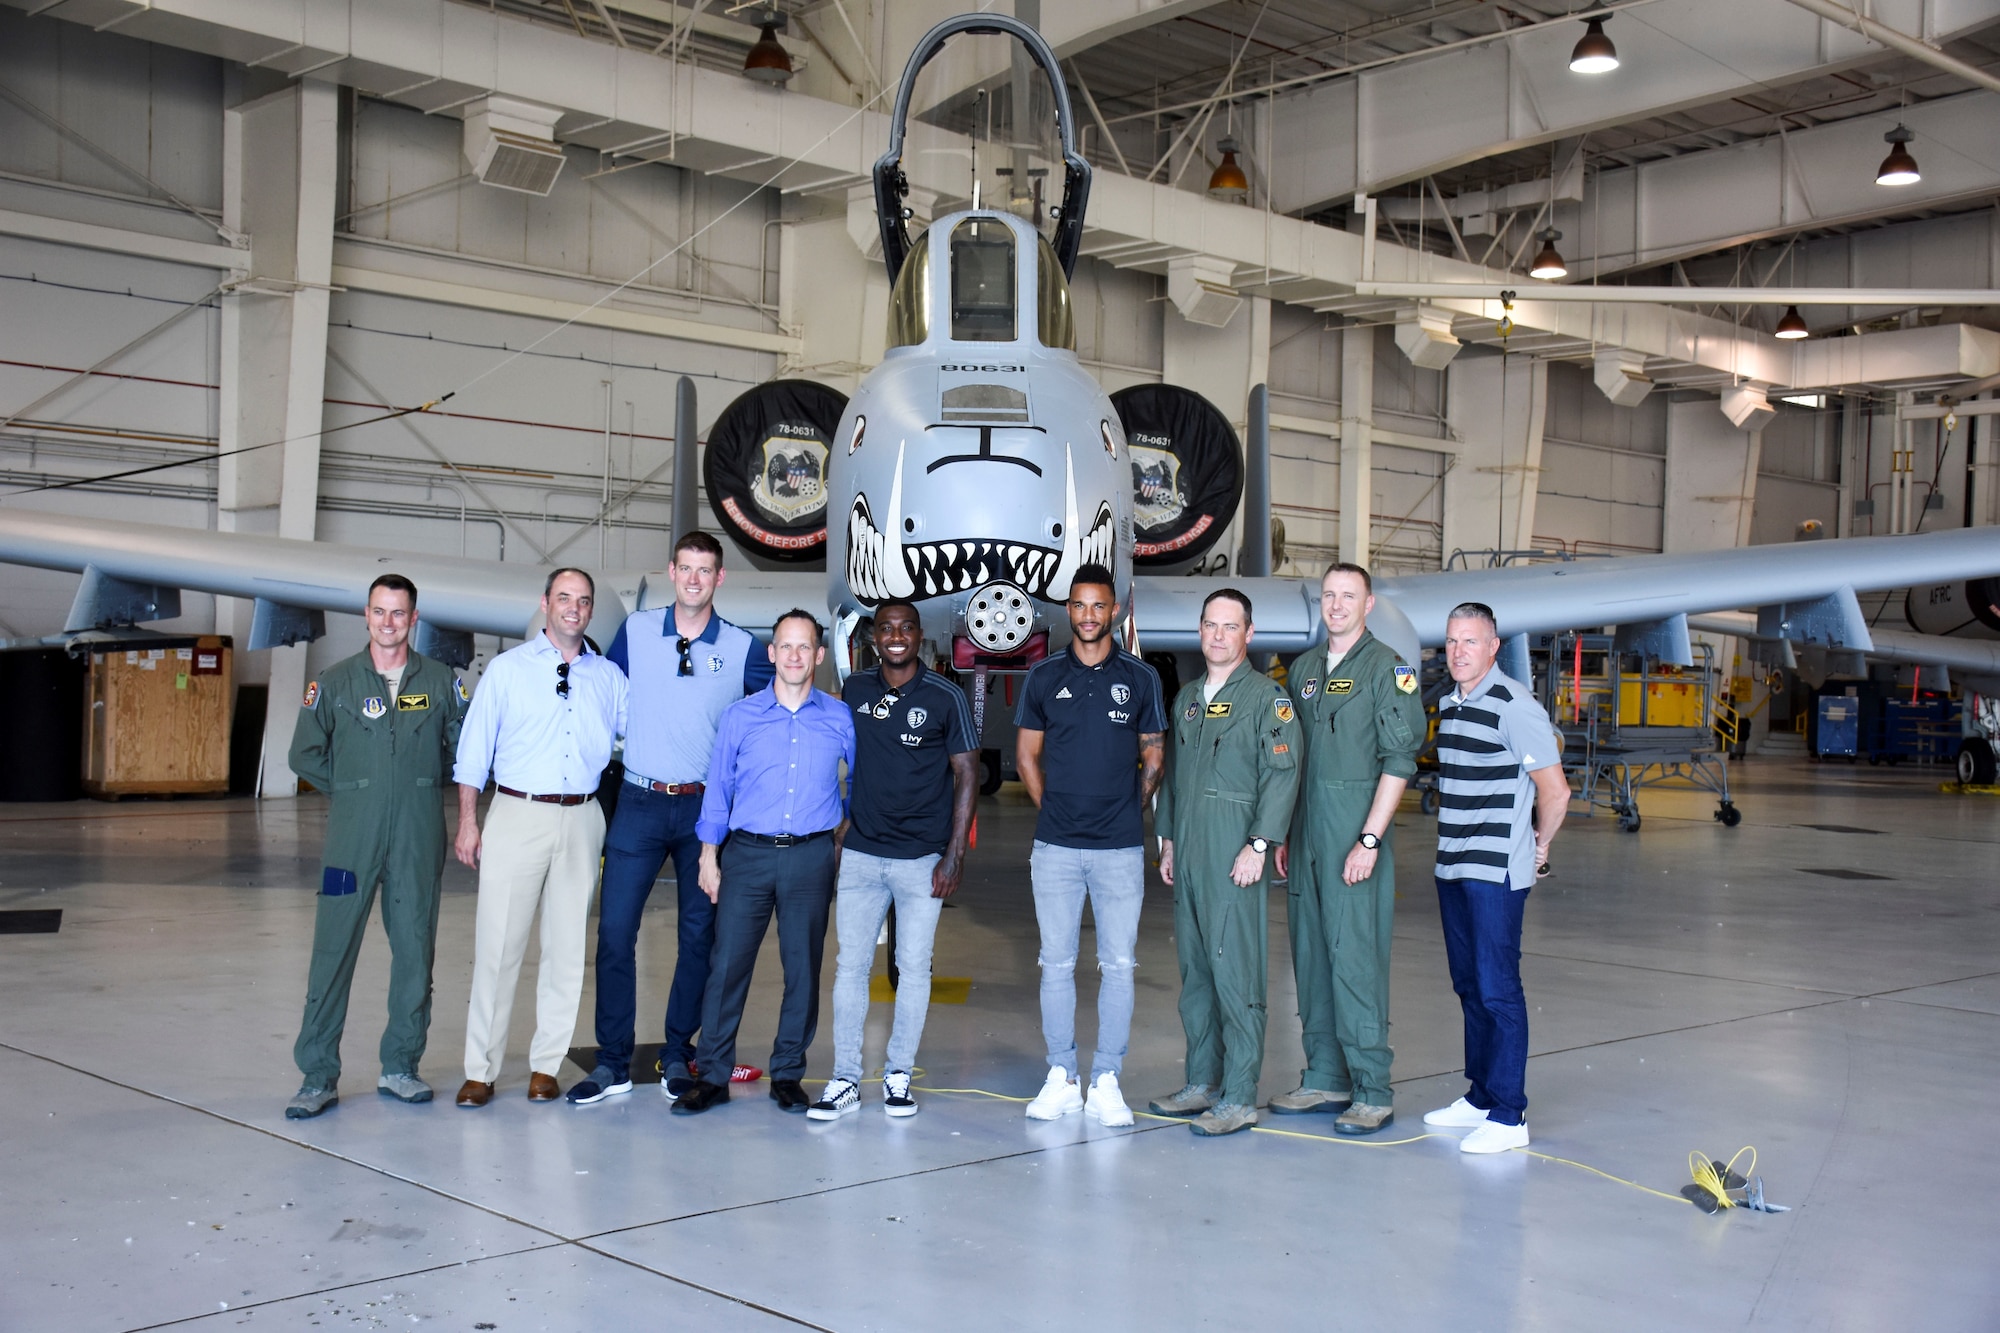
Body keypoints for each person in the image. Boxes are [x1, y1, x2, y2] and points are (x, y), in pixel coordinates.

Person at [569, 531, 774, 1106]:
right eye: (685, 568)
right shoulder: (635, 632)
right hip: (637, 803)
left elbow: (771, 710)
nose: (693, 579)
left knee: (698, 937)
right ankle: (611, 1061)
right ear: (671, 572)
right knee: (614, 934)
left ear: (719, 579)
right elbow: (600, 693)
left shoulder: (741, 647)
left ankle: (676, 1052)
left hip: (705, 812)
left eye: (705, 571)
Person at [282, 575, 469, 1119]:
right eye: (379, 612)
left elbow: (465, 750)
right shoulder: (335, 682)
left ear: (415, 618)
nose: (389, 622)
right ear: (366, 615)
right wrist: (355, 786)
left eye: (399, 613)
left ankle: (400, 1066)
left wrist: (421, 787)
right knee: (331, 953)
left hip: (416, 836)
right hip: (350, 841)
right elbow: (303, 753)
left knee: (415, 953)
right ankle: (317, 1075)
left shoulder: (439, 682)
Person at [452, 569, 628, 1107]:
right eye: (564, 599)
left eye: (583, 601)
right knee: (498, 946)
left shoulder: (610, 679)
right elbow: (473, 750)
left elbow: (637, 740)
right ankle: (480, 1069)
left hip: (582, 818)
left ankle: (545, 1066)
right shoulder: (507, 672)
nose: (573, 608)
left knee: (566, 948)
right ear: (545, 604)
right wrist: (467, 819)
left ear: (591, 611)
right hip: (517, 813)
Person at [673, 610, 856, 1117]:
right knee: (727, 966)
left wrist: (843, 834)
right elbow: (719, 790)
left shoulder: (839, 718)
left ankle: (788, 1073)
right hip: (747, 855)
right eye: (785, 646)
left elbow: (864, 782)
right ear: (771, 653)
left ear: (818, 657)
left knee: (802, 969)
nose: (794, 656)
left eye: (805, 648)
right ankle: (711, 1075)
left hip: (810, 858)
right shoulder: (740, 717)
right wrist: (709, 856)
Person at [1270, 563, 1426, 1136]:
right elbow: (1290, 758)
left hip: (1354, 835)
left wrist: (1369, 839)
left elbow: (1399, 760)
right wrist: (1287, 831)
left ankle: (1372, 1088)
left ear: (1368, 604)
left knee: (1354, 959)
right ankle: (1326, 1077)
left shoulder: (1388, 669)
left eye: (1348, 596)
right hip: (1307, 835)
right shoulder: (1304, 670)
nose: (1336, 605)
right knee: (1310, 956)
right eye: (1329, 596)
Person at [808, 599, 978, 1120]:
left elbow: (967, 773)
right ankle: (845, 1079)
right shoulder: (854, 690)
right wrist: (837, 824)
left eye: (905, 628)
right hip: (861, 856)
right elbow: (826, 753)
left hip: (921, 861)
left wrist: (953, 856)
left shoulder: (947, 696)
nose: (896, 636)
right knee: (850, 969)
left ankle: (899, 1073)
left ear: (919, 635)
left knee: (913, 969)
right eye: (886, 629)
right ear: (873, 637)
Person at [1014, 564, 1166, 1128]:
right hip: (1055, 847)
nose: (1087, 616)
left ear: (1114, 612)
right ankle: (1060, 1076)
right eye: (1078, 606)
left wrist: (1128, 809)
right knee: (1055, 964)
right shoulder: (1043, 676)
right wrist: (1050, 808)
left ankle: (1105, 1080)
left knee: (1119, 965)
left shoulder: (1142, 678)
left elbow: (1154, 755)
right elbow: (1027, 756)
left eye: (1098, 606)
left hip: (1120, 848)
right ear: (1068, 610)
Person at [1150, 589, 1301, 1137]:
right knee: (1195, 974)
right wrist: (1167, 839)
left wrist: (1259, 844)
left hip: (1234, 850)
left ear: (1249, 634)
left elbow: (1282, 775)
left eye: (1229, 626)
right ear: (1200, 631)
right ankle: (1201, 1082)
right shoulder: (1187, 697)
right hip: (1188, 849)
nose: (1218, 635)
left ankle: (1238, 1095)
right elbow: (1175, 773)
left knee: (1235, 974)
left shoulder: (1268, 700)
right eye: (1210, 625)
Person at [1421, 602, 1568, 1154]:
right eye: (1452, 642)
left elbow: (1555, 791)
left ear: (1493, 647)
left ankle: (1509, 1114)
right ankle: (1481, 1096)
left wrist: (1540, 846)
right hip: (1453, 865)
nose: (1459, 652)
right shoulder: (1451, 704)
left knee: (1498, 987)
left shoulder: (1514, 705)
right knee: (1468, 984)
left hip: (1493, 871)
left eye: (1471, 642)